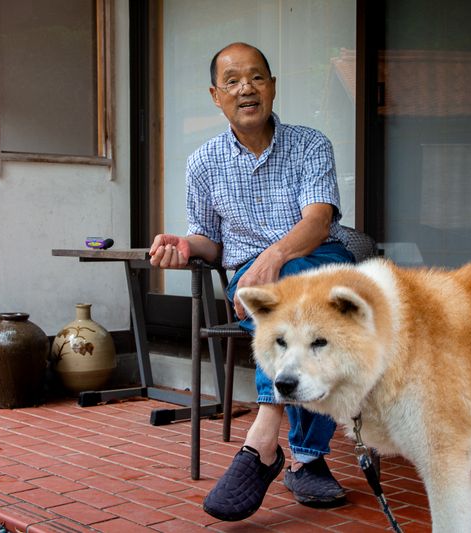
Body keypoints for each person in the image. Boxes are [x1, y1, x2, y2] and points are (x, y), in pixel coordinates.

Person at [149, 42, 353, 522]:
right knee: (297, 315)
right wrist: (184, 245)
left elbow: (318, 222)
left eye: (257, 78)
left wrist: (273, 258)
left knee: (294, 290)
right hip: (255, 283)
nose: (247, 89)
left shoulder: (310, 144)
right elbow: (210, 241)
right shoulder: (202, 163)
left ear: (273, 87)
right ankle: (304, 459)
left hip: (318, 261)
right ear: (216, 95)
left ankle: (265, 437)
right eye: (234, 81)